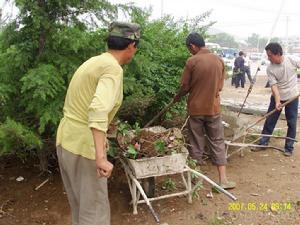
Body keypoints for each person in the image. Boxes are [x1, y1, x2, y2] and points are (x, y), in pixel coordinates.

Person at [56, 21, 140, 225]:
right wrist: (101, 157)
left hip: (67, 141)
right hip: (85, 148)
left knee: (80, 208)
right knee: (94, 214)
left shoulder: (93, 62)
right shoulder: (113, 69)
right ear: (131, 46)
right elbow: (97, 109)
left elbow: (83, 104)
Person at [174, 32, 235, 189]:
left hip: (196, 109)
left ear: (193, 46)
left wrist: (177, 97)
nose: (189, 51)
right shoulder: (219, 60)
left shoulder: (192, 61)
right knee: (217, 141)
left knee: (196, 142)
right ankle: (223, 180)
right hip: (213, 109)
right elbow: (220, 87)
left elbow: (185, 87)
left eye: (189, 48)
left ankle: (196, 180)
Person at [256, 42, 300, 156]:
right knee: (270, 120)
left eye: (270, 55)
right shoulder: (270, 68)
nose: (268, 57)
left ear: (278, 54)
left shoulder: (291, 60)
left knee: (292, 122)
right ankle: (263, 142)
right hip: (277, 97)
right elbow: (274, 86)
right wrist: (277, 101)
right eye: (267, 55)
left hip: (293, 97)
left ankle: (289, 148)